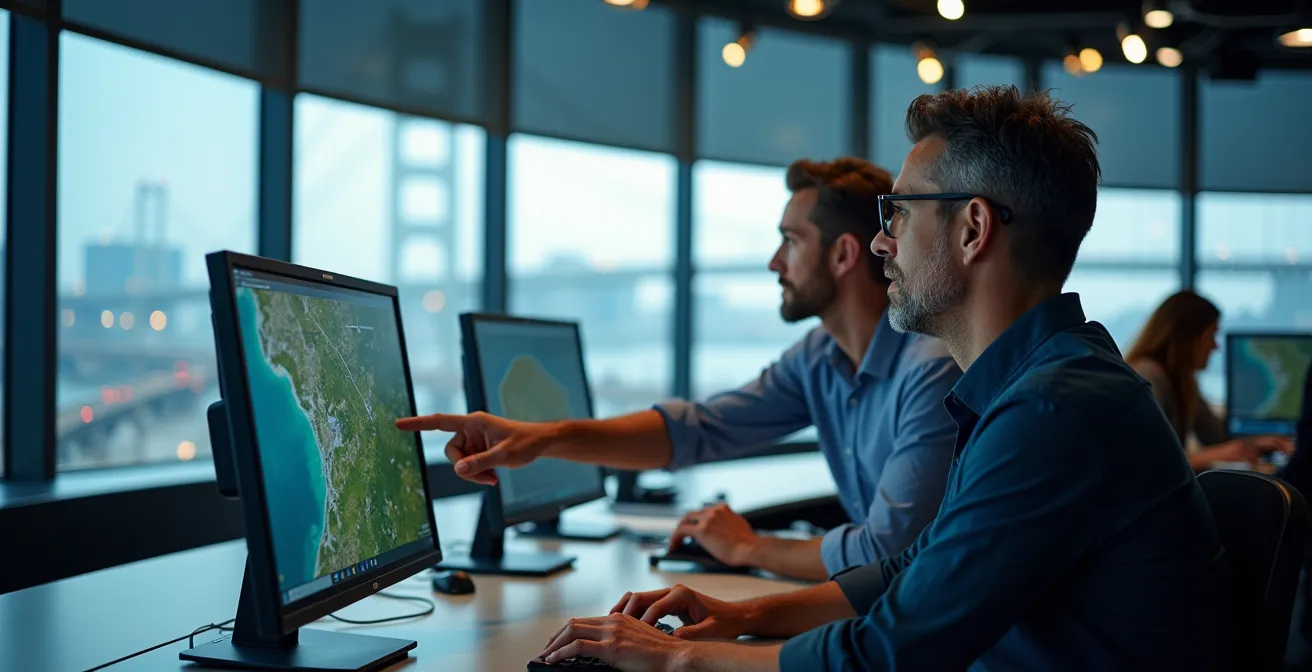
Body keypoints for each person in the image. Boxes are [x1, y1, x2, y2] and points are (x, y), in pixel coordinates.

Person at [527, 85, 1229, 671]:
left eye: (900, 211)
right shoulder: (1035, 386)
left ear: (973, 229)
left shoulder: (1053, 411)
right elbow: (910, 572)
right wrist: (743, 615)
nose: (880, 240)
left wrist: (676, 658)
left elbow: (889, 653)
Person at [399, 157, 962, 582]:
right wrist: (542, 437)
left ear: (843, 255)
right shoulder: (819, 358)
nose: (773, 262)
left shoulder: (930, 369)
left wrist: (748, 547)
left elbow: (888, 551)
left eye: (790, 242)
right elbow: (698, 428)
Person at [1125, 290, 1292, 471]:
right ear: (1189, 338)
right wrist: (1214, 455)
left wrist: (1255, 443)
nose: (1215, 346)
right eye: (1212, 335)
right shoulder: (1148, 375)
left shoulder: (1183, 382)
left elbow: (1215, 437)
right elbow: (1147, 462)